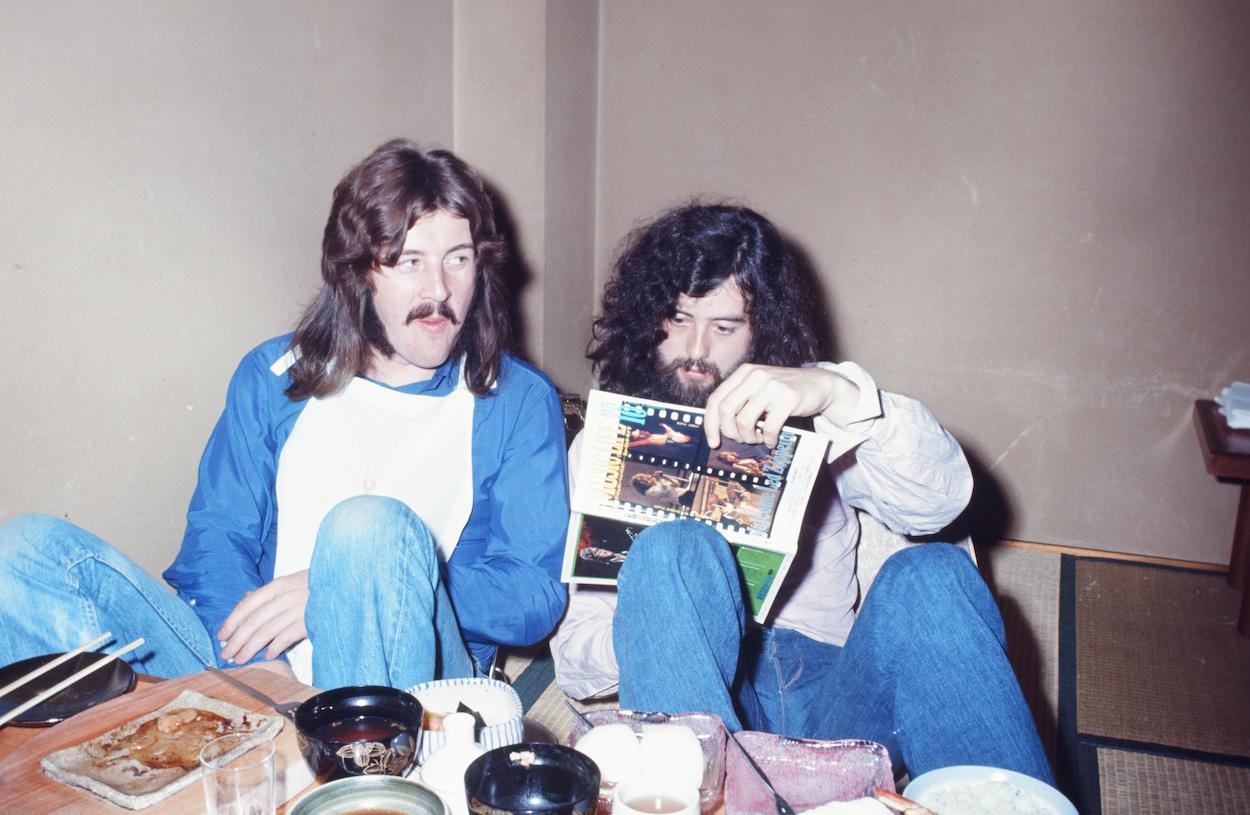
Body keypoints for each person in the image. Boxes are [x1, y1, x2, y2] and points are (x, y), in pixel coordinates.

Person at [0, 139, 569, 690]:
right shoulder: (273, 375)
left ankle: (360, 780)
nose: (439, 289)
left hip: (410, 692)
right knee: (28, 550)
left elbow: (532, 597)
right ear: (359, 274)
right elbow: (215, 545)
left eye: (459, 259)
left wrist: (346, 587)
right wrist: (253, 671)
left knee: (366, 529)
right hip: (256, 668)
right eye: (408, 261)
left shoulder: (516, 401)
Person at [551, 204, 1052, 783]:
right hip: (702, 709)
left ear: (761, 327)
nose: (695, 349)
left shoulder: (817, 408)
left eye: (724, 327)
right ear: (647, 320)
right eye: (678, 319)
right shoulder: (604, 448)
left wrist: (839, 395)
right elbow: (575, 661)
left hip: (837, 702)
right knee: (672, 551)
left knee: (933, 574)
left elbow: (940, 502)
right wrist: (672, 614)